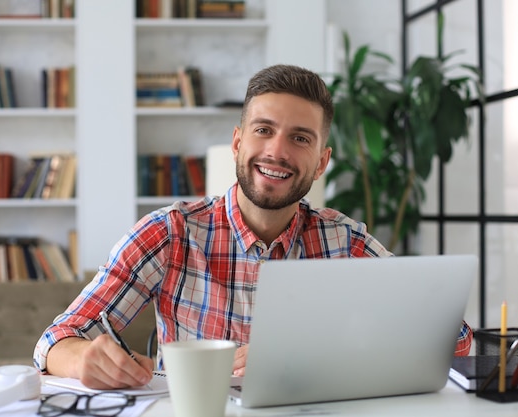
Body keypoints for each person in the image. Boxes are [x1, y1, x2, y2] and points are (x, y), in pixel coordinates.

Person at [34, 64, 473, 390]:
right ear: (238, 141)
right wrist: (81, 360)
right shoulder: (169, 232)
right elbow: (54, 341)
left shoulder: (345, 240)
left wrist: (314, 356)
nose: (277, 151)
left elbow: (454, 339)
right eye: (264, 130)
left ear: (322, 161)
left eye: (301, 138)